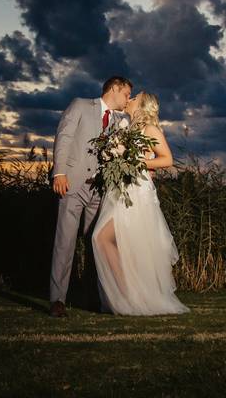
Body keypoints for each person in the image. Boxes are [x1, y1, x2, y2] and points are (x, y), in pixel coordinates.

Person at [91, 91, 190, 315]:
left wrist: (137, 161)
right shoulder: (125, 127)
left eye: (134, 97)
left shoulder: (150, 129)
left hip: (138, 192)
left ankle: (130, 296)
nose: (130, 98)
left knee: (104, 238)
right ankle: (126, 295)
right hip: (120, 189)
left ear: (142, 105)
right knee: (113, 242)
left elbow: (167, 159)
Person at [48, 76, 132, 318]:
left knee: (97, 243)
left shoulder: (120, 120)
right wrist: (59, 172)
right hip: (71, 184)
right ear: (114, 88)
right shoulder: (81, 105)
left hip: (99, 190)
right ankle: (57, 301)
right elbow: (64, 137)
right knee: (65, 243)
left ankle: (95, 298)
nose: (127, 100)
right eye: (126, 94)